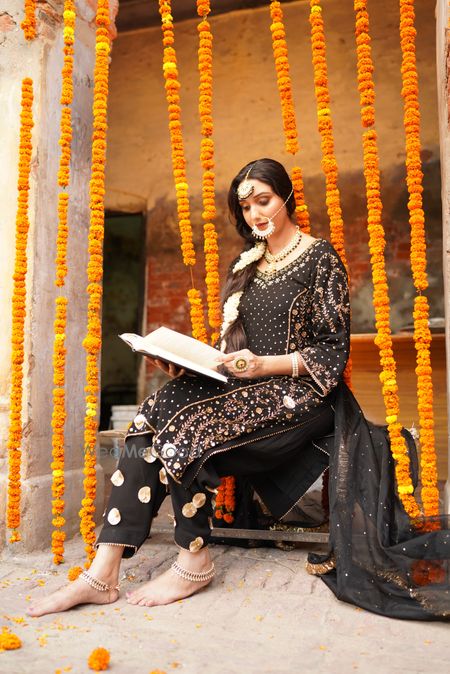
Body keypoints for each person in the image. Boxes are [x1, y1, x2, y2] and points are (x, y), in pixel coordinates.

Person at [27, 158, 450, 621]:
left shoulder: (320, 258)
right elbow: (231, 349)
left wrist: (264, 365)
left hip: (303, 396)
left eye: (263, 201)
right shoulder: (246, 263)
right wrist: (184, 365)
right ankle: (103, 571)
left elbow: (332, 353)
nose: (255, 214)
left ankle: (192, 561)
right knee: (154, 411)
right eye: (246, 207)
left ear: (287, 198)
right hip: (243, 387)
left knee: (186, 427)